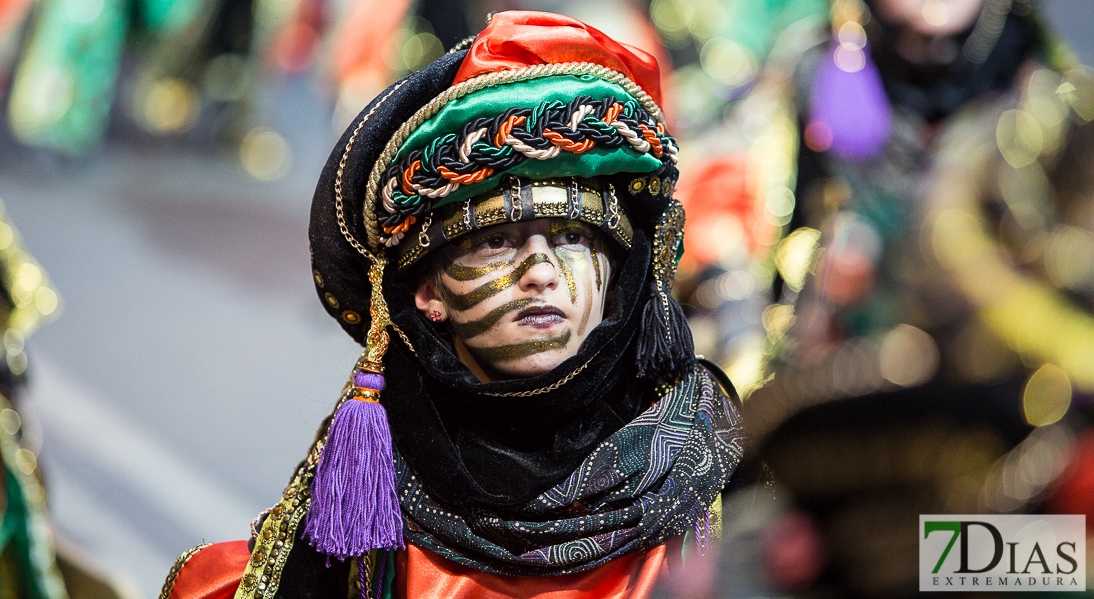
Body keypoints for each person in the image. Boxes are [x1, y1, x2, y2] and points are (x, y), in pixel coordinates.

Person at [160, 11, 745, 599]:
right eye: (495, 240)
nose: (541, 271)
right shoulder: (369, 500)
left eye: (572, 237)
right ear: (427, 293)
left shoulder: (715, 478)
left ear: (619, 275)